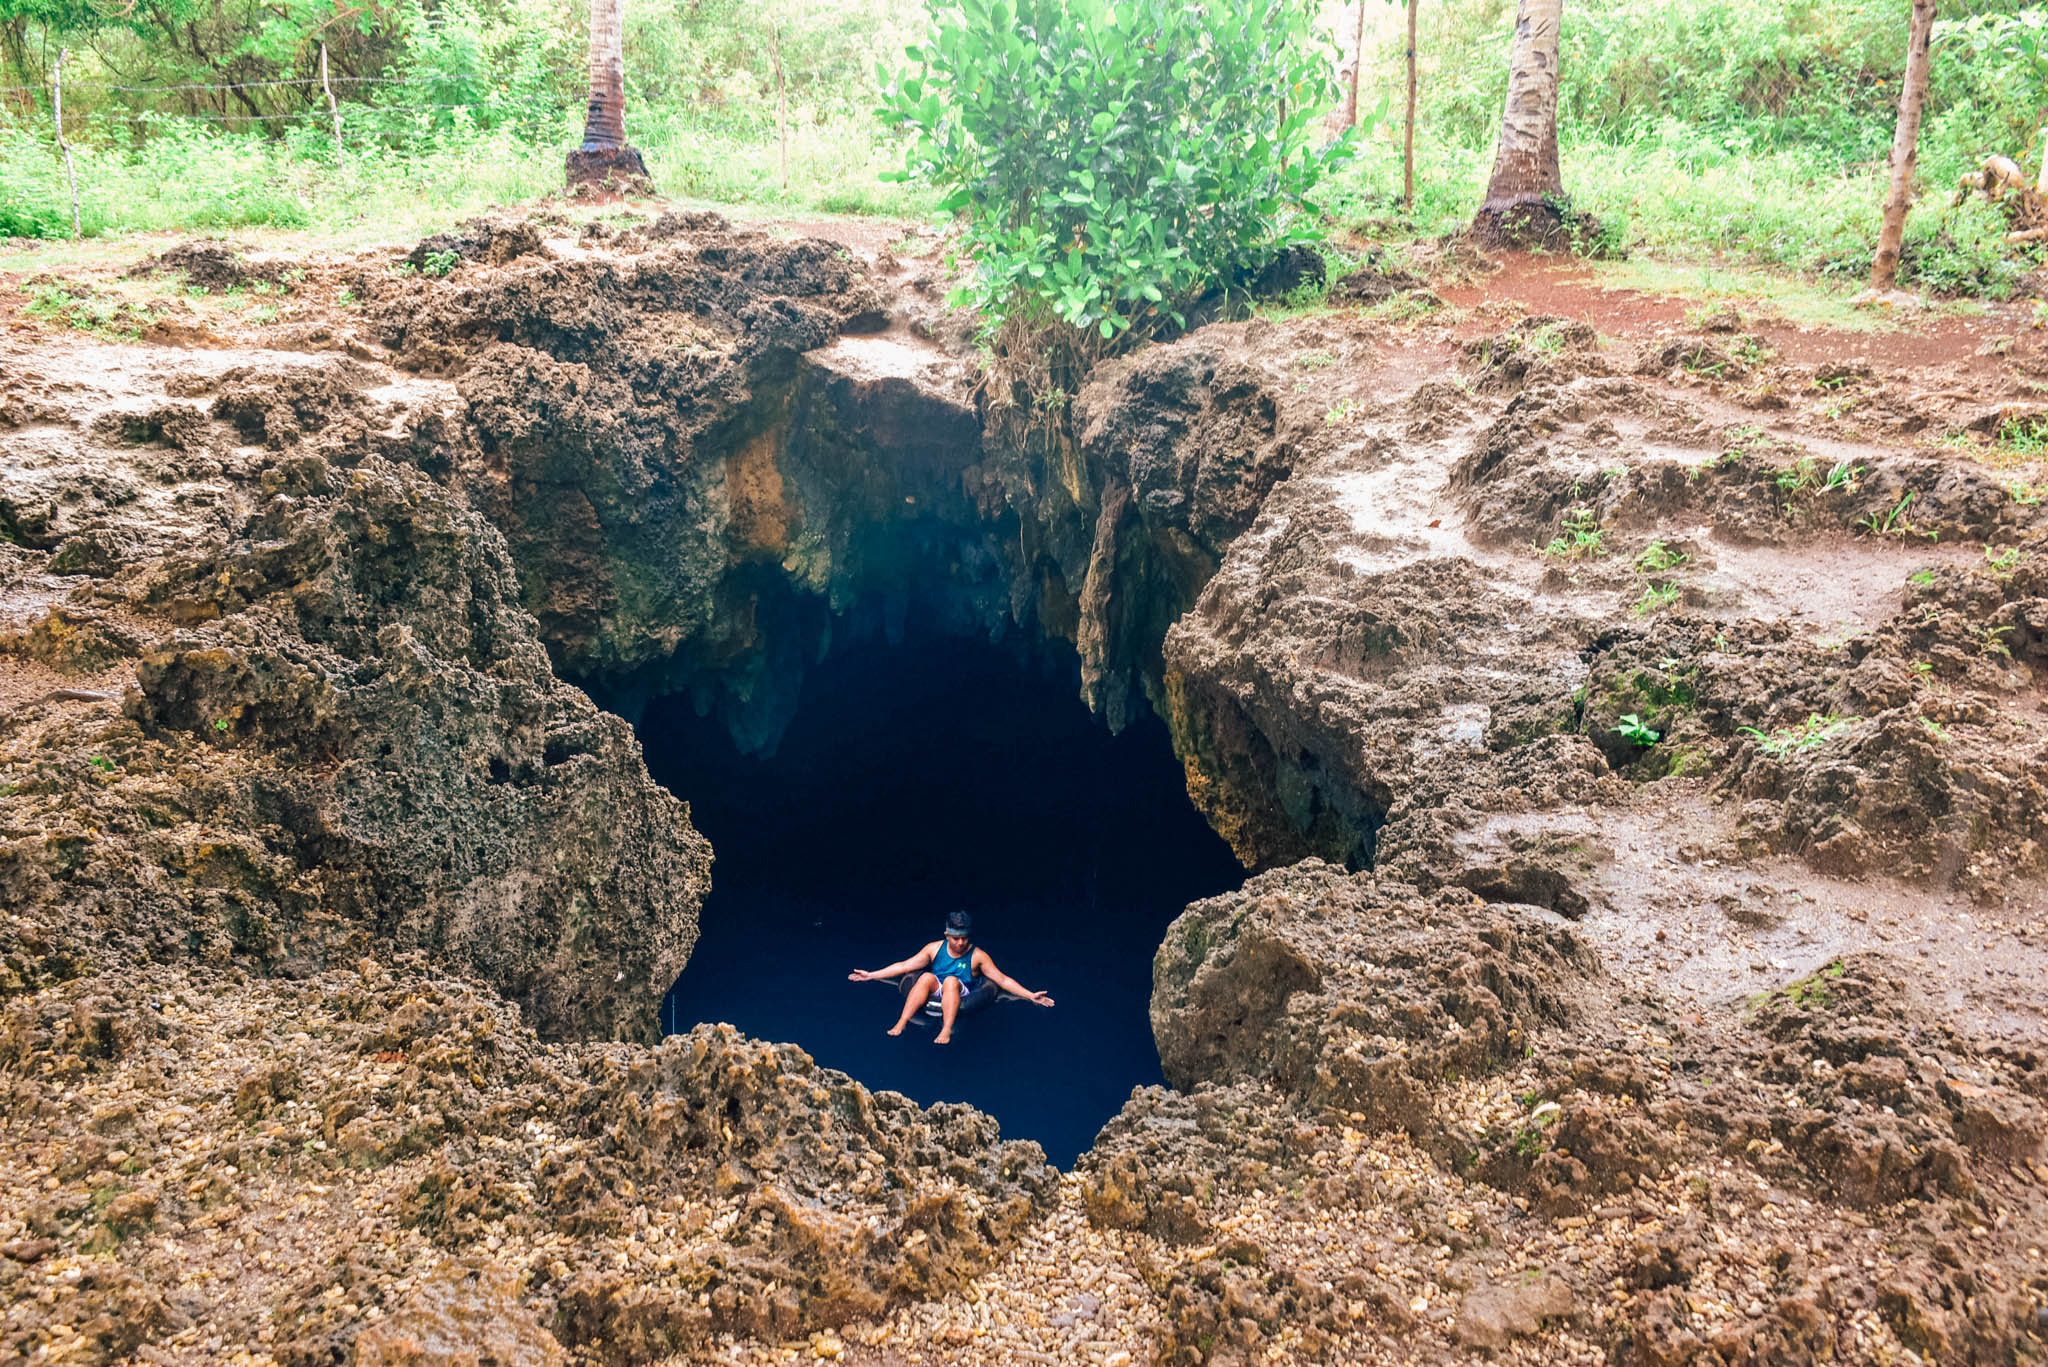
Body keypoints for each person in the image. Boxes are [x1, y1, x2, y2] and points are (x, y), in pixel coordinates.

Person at [847, 910, 1054, 1044]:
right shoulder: (934, 949)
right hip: (937, 987)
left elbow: (1002, 980)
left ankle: (946, 1029)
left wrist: (1030, 995)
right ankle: (902, 1021)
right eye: (956, 938)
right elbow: (904, 965)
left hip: (961, 989)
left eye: (965, 938)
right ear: (947, 935)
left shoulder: (978, 956)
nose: (961, 943)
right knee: (926, 978)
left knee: (950, 981)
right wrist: (871, 975)